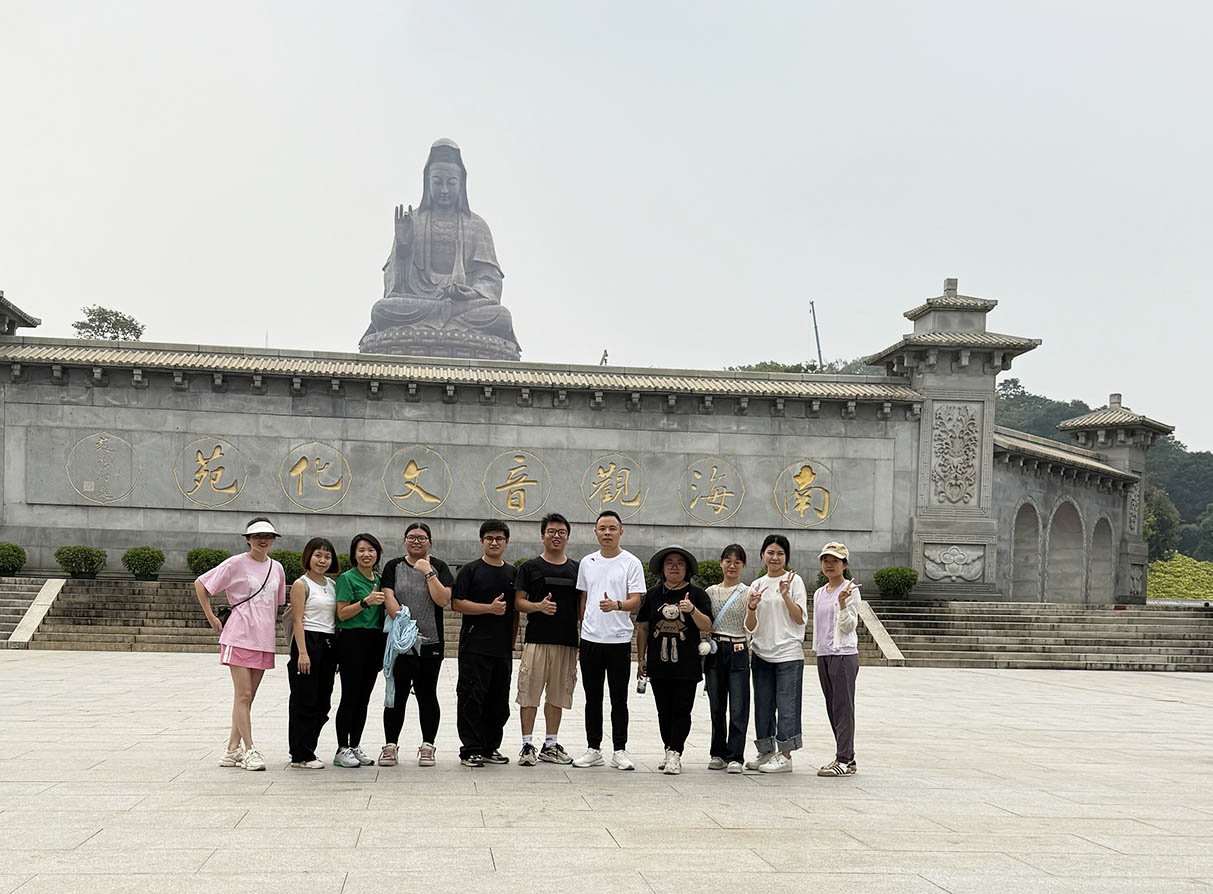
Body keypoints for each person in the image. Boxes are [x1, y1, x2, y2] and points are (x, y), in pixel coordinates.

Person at [193, 517, 287, 772]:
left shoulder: (276, 568)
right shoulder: (235, 563)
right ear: (248, 539)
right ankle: (249, 750)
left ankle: (231, 750)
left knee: (248, 697)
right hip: (239, 635)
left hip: (263, 638)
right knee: (243, 695)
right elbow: (201, 584)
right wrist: (211, 617)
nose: (263, 540)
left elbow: (277, 602)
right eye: (257, 537)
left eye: (267, 536)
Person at [572, 510, 646, 771]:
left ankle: (620, 749)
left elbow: (636, 599)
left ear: (620, 532)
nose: (607, 533)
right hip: (591, 639)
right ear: (595, 532)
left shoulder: (631, 562)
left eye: (612, 528)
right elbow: (583, 597)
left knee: (618, 698)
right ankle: (593, 748)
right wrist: (584, 623)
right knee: (592, 697)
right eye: (602, 528)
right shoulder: (587, 562)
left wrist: (616, 605)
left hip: (618, 640)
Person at [378, 522, 454, 768]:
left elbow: (443, 600)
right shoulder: (393, 566)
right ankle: (390, 745)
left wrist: (427, 571)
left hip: (431, 642)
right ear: (404, 540)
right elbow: (388, 596)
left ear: (430, 541)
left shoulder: (439, 567)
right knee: (397, 694)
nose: (416, 542)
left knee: (426, 694)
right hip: (401, 643)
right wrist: (405, 628)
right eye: (411, 537)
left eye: (421, 538)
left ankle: (428, 745)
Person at [635, 546, 713, 775]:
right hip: (659, 664)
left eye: (680, 563)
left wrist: (692, 610)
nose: (675, 566)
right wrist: (641, 658)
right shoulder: (652, 594)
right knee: (663, 710)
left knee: (682, 710)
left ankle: (675, 752)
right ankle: (668, 748)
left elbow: (708, 626)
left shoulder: (697, 594)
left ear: (687, 569)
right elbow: (643, 628)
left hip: (686, 664)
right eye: (670, 562)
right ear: (662, 568)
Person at [513, 513, 579, 766]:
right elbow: (519, 602)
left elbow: (582, 604)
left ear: (567, 537)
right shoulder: (529, 568)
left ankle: (550, 745)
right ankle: (527, 744)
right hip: (537, 640)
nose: (556, 536)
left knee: (558, 695)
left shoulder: (576, 568)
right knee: (529, 692)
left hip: (566, 641)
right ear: (542, 536)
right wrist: (538, 606)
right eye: (551, 531)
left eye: (561, 532)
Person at [451, 520, 518, 767]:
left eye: (499, 538)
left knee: (499, 701)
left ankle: (491, 747)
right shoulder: (470, 570)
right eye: (489, 538)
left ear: (506, 542)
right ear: (481, 541)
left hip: (501, 649)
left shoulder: (512, 573)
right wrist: (489, 609)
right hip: (474, 645)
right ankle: (470, 748)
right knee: (471, 697)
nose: (494, 542)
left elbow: (515, 611)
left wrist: (511, 643)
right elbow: (457, 603)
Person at [744, 534, 808, 774]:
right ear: (763, 555)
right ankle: (766, 750)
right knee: (763, 705)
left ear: (786, 557)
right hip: (761, 652)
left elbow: (800, 618)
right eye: (770, 552)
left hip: (788, 654)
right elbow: (750, 626)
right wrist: (751, 606)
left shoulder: (795, 581)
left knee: (787, 705)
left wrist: (785, 595)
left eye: (780, 553)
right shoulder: (757, 584)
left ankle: (786, 754)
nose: (775, 557)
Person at [333, 533, 387, 769]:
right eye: (361, 550)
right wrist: (365, 602)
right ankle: (341, 748)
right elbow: (341, 614)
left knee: (363, 698)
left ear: (377, 554)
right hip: (351, 639)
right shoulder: (347, 578)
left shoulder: (380, 579)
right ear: (354, 554)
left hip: (373, 640)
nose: (366, 555)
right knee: (350, 696)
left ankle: (355, 745)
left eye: (371, 550)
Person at [286, 537, 340, 769]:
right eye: (318, 555)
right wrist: (303, 653)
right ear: (308, 556)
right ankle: (300, 754)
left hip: (328, 643)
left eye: (327, 556)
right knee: (304, 700)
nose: (322, 560)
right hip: (307, 640)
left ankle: (308, 747)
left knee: (322, 703)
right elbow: (298, 620)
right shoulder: (301, 584)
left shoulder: (332, 584)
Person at [814, 542, 862, 777]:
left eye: (835, 560)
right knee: (833, 707)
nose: (829, 564)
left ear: (844, 564)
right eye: (825, 560)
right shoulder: (820, 592)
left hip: (843, 655)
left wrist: (843, 602)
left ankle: (844, 758)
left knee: (843, 708)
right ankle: (846, 757)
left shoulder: (850, 590)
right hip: (824, 654)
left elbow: (850, 625)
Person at [703, 544, 752, 774]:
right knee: (716, 705)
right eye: (728, 561)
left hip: (739, 650)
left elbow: (751, 627)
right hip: (715, 650)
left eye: (737, 562)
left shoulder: (748, 592)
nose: (732, 566)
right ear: (721, 562)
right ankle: (717, 753)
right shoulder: (710, 592)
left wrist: (752, 609)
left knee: (739, 706)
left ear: (743, 566)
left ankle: (736, 756)